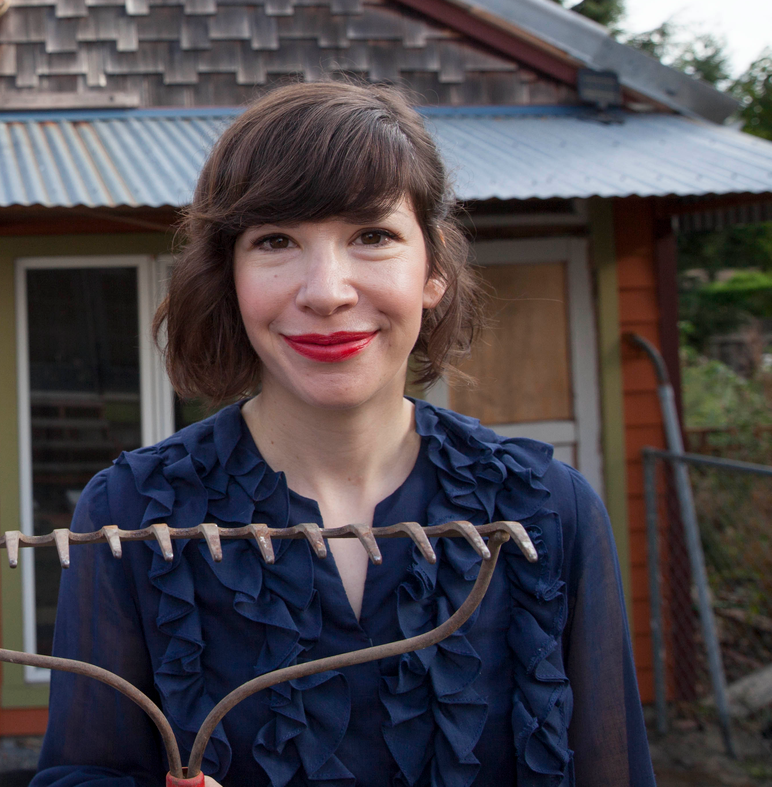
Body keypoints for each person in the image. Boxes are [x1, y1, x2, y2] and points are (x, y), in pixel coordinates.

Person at [33, 82, 652, 787]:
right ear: (228, 277)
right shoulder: (130, 515)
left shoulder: (546, 509)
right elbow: (81, 770)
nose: (326, 290)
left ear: (435, 270)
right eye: (276, 241)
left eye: (372, 236)